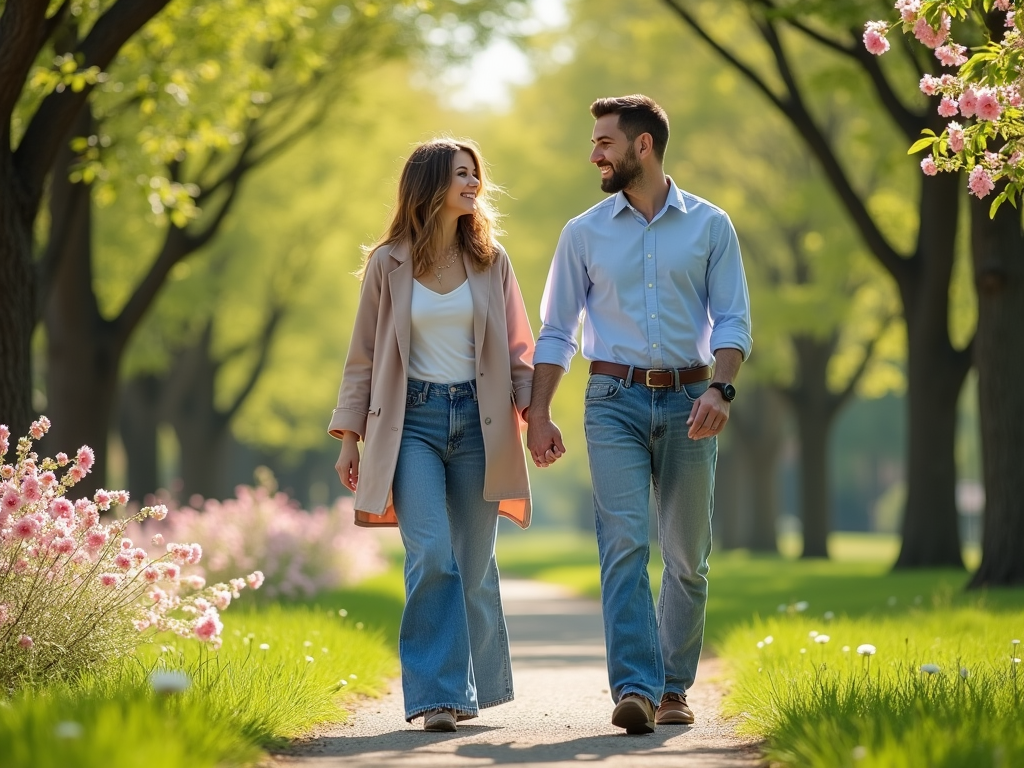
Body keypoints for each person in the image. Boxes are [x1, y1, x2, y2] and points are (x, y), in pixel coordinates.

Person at [526, 95, 752, 735]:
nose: (594, 153)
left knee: (686, 555)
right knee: (623, 542)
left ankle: (674, 686)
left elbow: (733, 320)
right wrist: (538, 413)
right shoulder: (583, 232)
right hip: (611, 401)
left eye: (604, 142)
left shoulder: (711, 226)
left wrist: (720, 389)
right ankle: (635, 687)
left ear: (642, 145)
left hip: (690, 401)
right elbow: (556, 329)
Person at [328, 138, 535, 732]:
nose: (473, 184)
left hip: (479, 421)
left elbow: (520, 350)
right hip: (409, 423)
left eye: (476, 175)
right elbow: (362, 358)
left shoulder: (492, 262)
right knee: (432, 556)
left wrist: (536, 415)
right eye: (460, 175)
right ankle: (437, 697)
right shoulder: (386, 263)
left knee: (472, 564)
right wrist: (349, 435)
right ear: (429, 186)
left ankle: (478, 687)